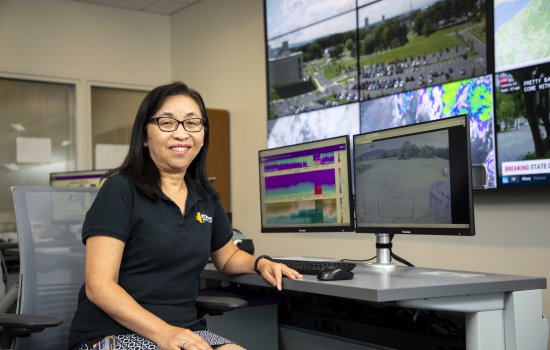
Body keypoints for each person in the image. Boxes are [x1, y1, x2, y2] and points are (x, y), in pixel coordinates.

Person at [68, 81, 302, 350]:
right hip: (111, 332)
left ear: (203, 135)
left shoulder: (205, 197)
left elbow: (228, 257)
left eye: (192, 123)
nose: (182, 134)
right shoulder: (120, 190)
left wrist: (261, 263)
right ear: (144, 136)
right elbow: (99, 286)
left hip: (185, 329)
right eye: (167, 123)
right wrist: (163, 333)